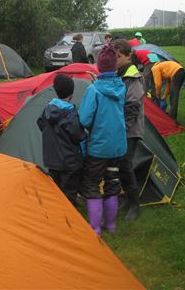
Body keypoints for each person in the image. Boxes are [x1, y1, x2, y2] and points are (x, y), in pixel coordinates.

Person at [78, 44, 127, 235]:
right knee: (112, 182)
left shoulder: (94, 90)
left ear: (99, 67)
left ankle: (95, 228)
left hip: (99, 148)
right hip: (118, 147)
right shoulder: (121, 87)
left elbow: (84, 119)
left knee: (92, 184)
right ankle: (110, 225)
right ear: (115, 67)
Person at [37, 74, 86, 206]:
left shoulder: (47, 110)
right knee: (69, 193)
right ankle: (68, 216)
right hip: (69, 162)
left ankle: (57, 214)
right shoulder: (70, 114)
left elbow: (41, 124)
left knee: (57, 192)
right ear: (72, 93)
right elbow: (78, 136)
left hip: (52, 160)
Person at [113, 39, 145, 221]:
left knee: (125, 164)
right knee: (120, 165)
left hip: (130, 129)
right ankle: (128, 197)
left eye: (118, 56)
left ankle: (135, 205)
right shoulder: (118, 74)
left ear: (128, 56)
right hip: (119, 129)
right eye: (113, 56)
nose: (115, 60)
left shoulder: (133, 77)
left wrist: (124, 127)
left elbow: (133, 104)